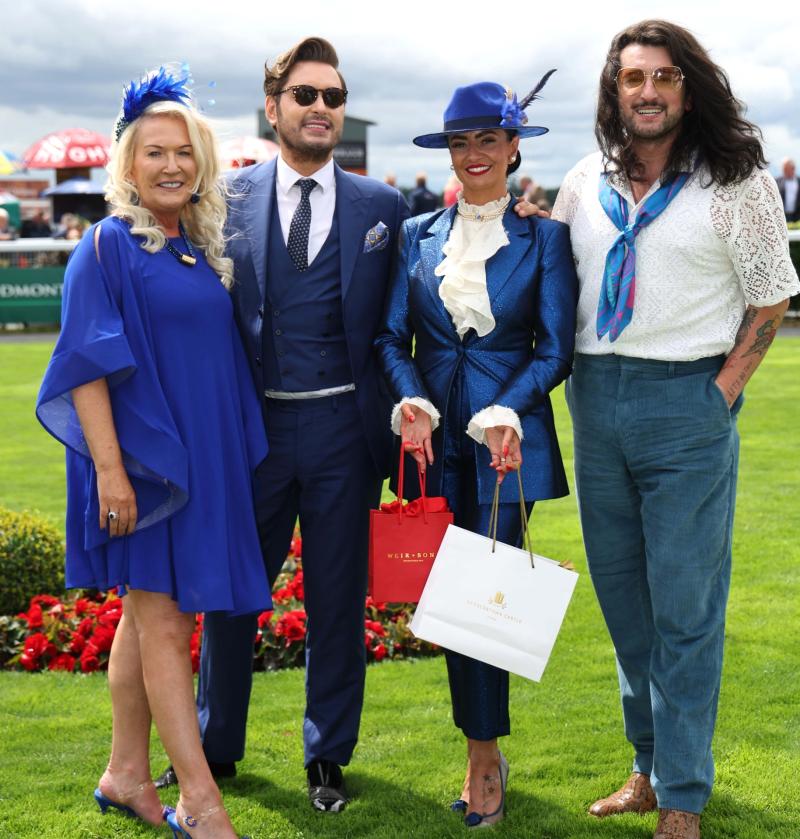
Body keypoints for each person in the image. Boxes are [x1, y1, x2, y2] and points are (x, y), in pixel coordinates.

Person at [550, 20, 800, 839]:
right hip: (597, 397)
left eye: (663, 77)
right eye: (633, 78)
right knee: (626, 604)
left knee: (686, 606)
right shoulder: (585, 180)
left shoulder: (737, 179)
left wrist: (722, 391)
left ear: (688, 87)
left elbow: (771, 296)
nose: (648, 92)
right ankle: (647, 767)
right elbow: (551, 278)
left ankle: (685, 793)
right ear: (614, 90)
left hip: (687, 401)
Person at [168, 37, 409, 813]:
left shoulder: (383, 210)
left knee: (338, 600)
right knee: (232, 593)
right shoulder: (223, 198)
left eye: (333, 97)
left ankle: (328, 756)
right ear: (273, 107)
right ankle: (215, 747)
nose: (320, 109)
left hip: (346, 429)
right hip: (255, 432)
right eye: (305, 95)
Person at [35, 67, 271, 839]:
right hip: (138, 469)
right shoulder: (104, 247)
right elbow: (86, 366)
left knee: (147, 621)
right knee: (164, 622)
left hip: (198, 464)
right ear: (127, 164)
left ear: (200, 164)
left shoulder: (193, 249)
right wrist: (109, 470)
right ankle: (200, 797)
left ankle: (126, 772)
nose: (171, 165)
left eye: (183, 153)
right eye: (154, 152)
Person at [375, 78, 578, 829]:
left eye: (488, 140)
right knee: (448, 606)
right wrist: (410, 401)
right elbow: (392, 338)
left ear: (514, 145)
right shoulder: (417, 234)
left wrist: (507, 407)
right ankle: (481, 747)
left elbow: (555, 348)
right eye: (461, 143)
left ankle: (482, 758)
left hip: (502, 440)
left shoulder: (544, 238)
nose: (474, 155)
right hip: (431, 439)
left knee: (481, 601)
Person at [776, 157, 800, 222]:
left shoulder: (799, 181)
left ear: (793, 169)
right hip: (782, 216)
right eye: (783, 169)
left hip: (797, 216)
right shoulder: (777, 181)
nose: (784, 171)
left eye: (786, 169)